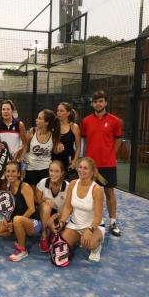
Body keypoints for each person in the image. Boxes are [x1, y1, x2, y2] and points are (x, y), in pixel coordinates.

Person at [82, 90, 123, 237]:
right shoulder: (86, 121)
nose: (98, 104)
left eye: (101, 101)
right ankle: (93, 221)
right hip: (91, 166)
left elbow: (118, 139)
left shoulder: (115, 121)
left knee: (109, 192)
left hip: (108, 164)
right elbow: (86, 139)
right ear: (92, 103)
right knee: (90, 194)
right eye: (95, 101)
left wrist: (112, 153)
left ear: (105, 103)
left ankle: (113, 222)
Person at [52, 157, 105, 262]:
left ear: (92, 171)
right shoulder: (72, 184)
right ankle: (78, 238)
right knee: (62, 246)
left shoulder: (97, 189)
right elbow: (68, 207)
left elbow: (98, 217)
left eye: (85, 168)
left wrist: (90, 230)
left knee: (89, 244)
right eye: (80, 167)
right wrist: (62, 221)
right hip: (75, 224)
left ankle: (96, 246)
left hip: (93, 226)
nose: (81, 170)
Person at [0, 162, 39, 262]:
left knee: (17, 219)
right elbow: (7, 208)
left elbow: (32, 209)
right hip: (16, 220)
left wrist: (16, 222)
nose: (10, 174)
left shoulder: (25, 187)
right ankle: (19, 234)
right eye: (8, 171)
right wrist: (4, 218)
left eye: (13, 171)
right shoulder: (7, 188)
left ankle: (22, 250)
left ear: (18, 173)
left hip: (33, 222)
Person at [35, 160, 68, 253]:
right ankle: (44, 235)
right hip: (43, 212)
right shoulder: (43, 182)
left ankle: (53, 232)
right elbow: (37, 200)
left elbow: (68, 207)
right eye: (51, 171)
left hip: (59, 214)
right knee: (46, 206)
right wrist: (44, 199)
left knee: (55, 228)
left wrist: (57, 216)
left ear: (62, 173)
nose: (53, 174)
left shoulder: (68, 187)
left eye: (57, 171)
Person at [22, 109, 59, 186]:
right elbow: (25, 145)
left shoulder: (54, 135)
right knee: (31, 193)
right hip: (30, 167)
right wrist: (21, 156)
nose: (36, 120)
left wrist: (59, 149)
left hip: (45, 169)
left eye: (39, 118)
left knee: (42, 193)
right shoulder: (32, 131)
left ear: (46, 122)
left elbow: (55, 151)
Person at [52, 102, 81, 171]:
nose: (58, 113)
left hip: (69, 160)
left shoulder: (74, 127)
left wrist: (74, 162)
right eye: (58, 111)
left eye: (61, 111)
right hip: (54, 160)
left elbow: (78, 147)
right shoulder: (53, 126)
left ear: (68, 113)